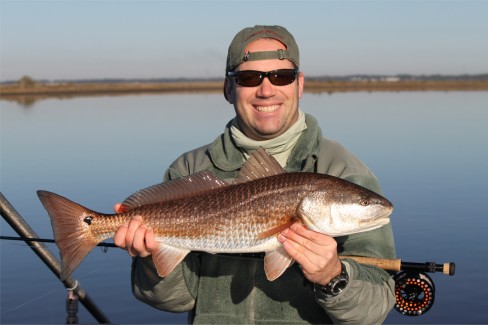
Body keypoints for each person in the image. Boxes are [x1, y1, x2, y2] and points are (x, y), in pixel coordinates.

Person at [114, 25, 396, 324]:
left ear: (299, 84)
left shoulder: (343, 170)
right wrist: (150, 257)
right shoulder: (190, 168)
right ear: (228, 88)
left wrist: (333, 277)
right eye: (249, 78)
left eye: (281, 76)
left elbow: (374, 311)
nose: (266, 90)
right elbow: (175, 301)